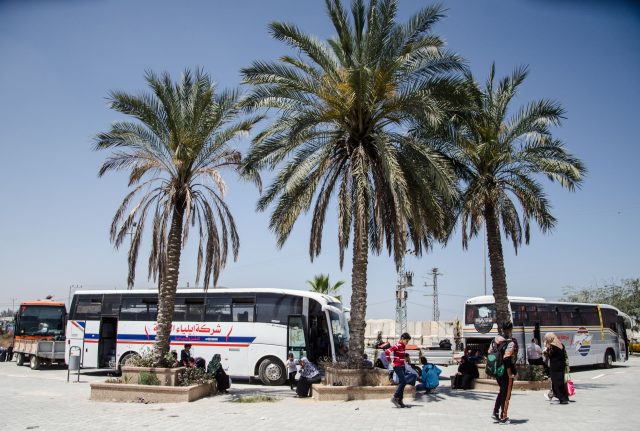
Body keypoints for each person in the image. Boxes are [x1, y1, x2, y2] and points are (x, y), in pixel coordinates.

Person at [491, 322, 518, 424]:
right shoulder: (510, 342)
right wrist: (510, 373)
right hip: (506, 372)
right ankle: (503, 416)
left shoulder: (495, 340)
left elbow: (489, 352)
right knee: (506, 394)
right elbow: (507, 358)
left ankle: (495, 412)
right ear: (510, 329)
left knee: (502, 391)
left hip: (497, 370)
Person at [385, 332, 411, 408]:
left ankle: (400, 400)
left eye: (408, 341)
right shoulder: (397, 345)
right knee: (404, 382)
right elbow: (387, 352)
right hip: (397, 366)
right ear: (402, 338)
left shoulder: (403, 345)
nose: (407, 342)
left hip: (402, 366)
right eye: (406, 341)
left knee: (402, 383)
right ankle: (394, 397)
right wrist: (391, 362)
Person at [544, 332, 569, 404]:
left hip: (555, 366)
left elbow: (548, 355)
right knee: (561, 382)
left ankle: (562, 398)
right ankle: (565, 397)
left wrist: (545, 348)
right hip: (562, 365)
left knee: (556, 382)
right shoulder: (561, 345)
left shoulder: (551, 346)